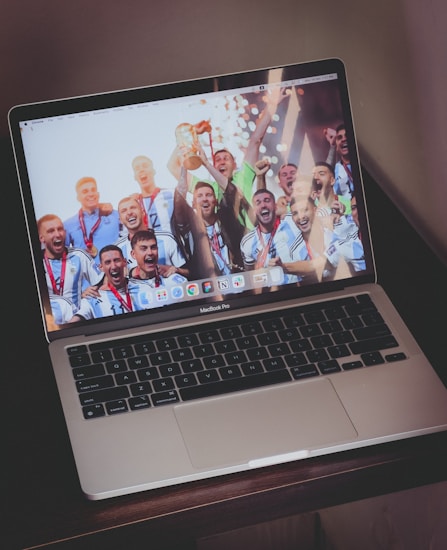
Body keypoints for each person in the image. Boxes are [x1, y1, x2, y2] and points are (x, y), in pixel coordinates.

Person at [168, 87, 289, 229]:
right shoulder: (209, 189)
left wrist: (272, 105)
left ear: (235, 164)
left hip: (253, 239)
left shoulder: (243, 176)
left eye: (226, 158)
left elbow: (256, 140)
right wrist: (190, 132)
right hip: (228, 248)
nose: (221, 162)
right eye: (217, 160)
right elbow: (172, 166)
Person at [38, 214, 103, 314]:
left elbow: (101, 281)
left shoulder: (79, 255)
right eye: (51, 231)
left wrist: (87, 293)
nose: (57, 234)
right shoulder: (36, 263)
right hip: (50, 324)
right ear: (42, 238)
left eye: (60, 229)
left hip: (77, 321)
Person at [240, 189, 306, 285]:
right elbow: (250, 275)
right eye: (258, 203)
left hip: (304, 288)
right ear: (254, 211)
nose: (263, 205)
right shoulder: (247, 242)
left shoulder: (292, 221)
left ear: (275, 206)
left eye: (267, 200)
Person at [70, 245, 151, 321]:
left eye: (117, 260)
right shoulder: (93, 297)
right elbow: (76, 319)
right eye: (108, 262)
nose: (113, 266)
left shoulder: (143, 288)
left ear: (125, 262)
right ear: (101, 267)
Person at [115, 195, 189, 278]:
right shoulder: (117, 249)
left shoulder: (167, 239)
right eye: (124, 211)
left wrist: (176, 270)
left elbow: (190, 273)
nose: (129, 212)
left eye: (133, 208)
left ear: (143, 212)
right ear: (120, 220)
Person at [64, 176, 121, 265]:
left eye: (93, 190)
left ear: (98, 194)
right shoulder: (68, 225)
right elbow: (64, 257)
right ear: (78, 197)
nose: (90, 194)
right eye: (85, 191)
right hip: (87, 277)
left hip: (115, 273)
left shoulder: (115, 215)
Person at [131, 155, 174, 233]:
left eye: (145, 166)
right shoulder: (133, 204)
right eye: (137, 168)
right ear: (134, 176)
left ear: (154, 171)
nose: (141, 170)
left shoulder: (171, 194)